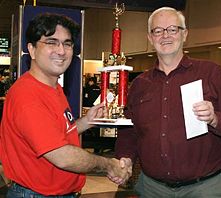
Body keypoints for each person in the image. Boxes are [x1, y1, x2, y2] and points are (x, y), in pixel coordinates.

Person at [114, 7, 221, 198]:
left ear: (185, 34)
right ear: (150, 38)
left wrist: (215, 119)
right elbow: (130, 132)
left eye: (172, 29)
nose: (165, 35)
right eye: (158, 30)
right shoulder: (139, 84)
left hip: (204, 188)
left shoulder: (211, 73)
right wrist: (125, 158)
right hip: (152, 188)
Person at [0, 13, 131, 198]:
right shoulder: (27, 95)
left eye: (67, 43)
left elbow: (57, 134)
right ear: (32, 49)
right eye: (51, 42)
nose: (61, 51)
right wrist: (109, 164)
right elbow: (62, 156)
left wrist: (86, 121)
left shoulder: (53, 88)